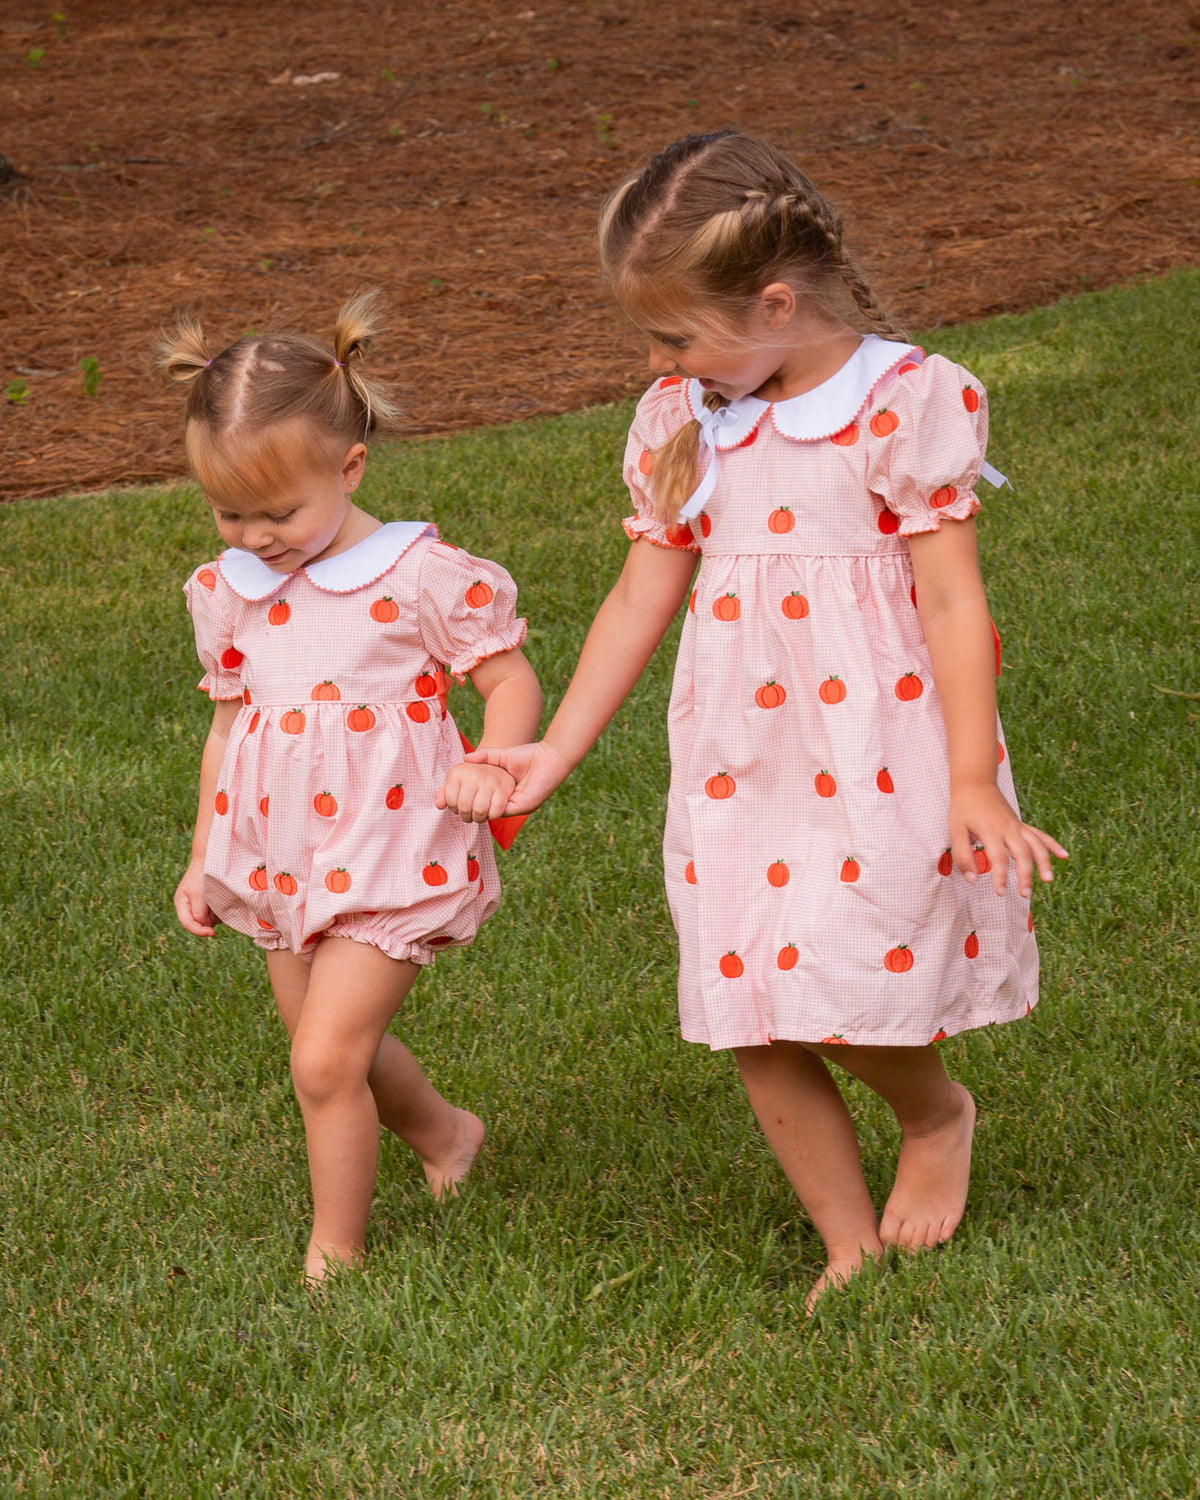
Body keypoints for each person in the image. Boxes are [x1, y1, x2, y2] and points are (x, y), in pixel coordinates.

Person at [455, 133, 1067, 1310]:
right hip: (741, 758)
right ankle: (848, 1243)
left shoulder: (902, 403)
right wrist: (555, 749)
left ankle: (933, 1112)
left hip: (880, 751)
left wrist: (974, 776)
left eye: (676, 333)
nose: (657, 358)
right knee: (753, 998)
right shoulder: (690, 419)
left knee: (856, 972)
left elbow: (951, 598)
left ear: (777, 302)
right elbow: (643, 593)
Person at [166, 294, 542, 1282]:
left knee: (324, 1061)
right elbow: (228, 725)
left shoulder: (417, 576)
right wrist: (206, 855)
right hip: (277, 853)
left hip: (395, 847)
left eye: (279, 511)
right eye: (229, 511)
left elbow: (509, 680)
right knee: (339, 1050)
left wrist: (493, 762)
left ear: (351, 467)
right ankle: (448, 1135)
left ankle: (335, 1253)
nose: (253, 535)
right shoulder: (228, 591)